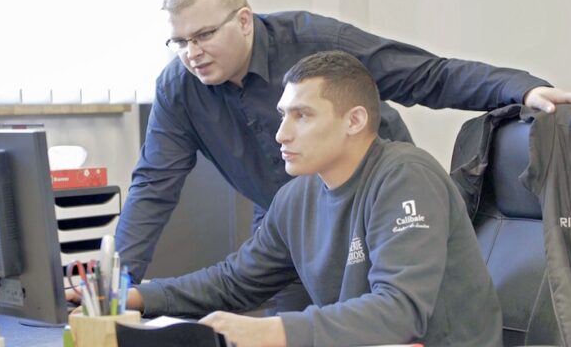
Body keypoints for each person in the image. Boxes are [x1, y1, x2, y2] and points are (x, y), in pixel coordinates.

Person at [115, 0, 571, 307]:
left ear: (243, 20)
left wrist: (521, 87)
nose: (191, 54)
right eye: (178, 42)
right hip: (289, 217)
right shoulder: (179, 89)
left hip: (374, 203)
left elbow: (425, 75)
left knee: (373, 317)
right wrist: (120, 283)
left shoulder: (315, 44)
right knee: (283, 316)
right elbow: (155, 182)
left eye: (202, 36)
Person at [126, 51, 503, 347]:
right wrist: (138, 297)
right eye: (282, 116)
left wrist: (273, 332)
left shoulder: (405, 175)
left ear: (354, 121)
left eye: (302, 116)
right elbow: (234, 281)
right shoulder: (296, 197)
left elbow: (399, 311)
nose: (281, 135)